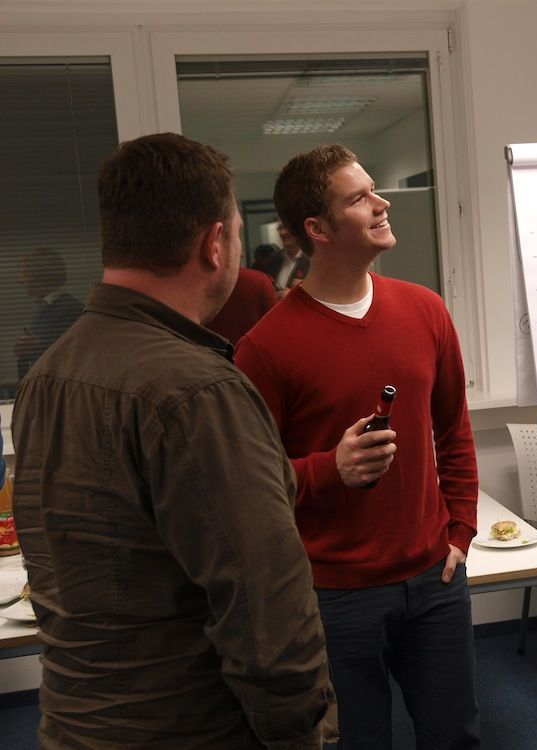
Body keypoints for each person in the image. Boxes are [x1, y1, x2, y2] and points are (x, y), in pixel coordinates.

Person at [12, 132, 335, 749]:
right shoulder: (198, 392)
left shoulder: (45, 376)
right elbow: (268, 615)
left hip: (74, 726)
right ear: (214, 244)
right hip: (189, 728)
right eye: (235, 232)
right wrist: (303, 736)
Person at [235, 144, 480, 750]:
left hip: (434, 576)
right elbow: (248, 484)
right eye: (359, 198)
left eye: (374, 189)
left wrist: (460, 530)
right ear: (317, 230)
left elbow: (453, 429)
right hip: (333, 593)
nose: (381, 203)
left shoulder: (425, 310)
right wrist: (330, 469)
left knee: (455, 737)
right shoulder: (265, 348)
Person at [13, 246, 84, 378]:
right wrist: (24, 350)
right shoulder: (43, 310)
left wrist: (36, 347)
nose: (20, 280)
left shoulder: (71, 309)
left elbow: (73, 354)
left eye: (24, 274)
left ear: (40, 275)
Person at [206, 265, 278, 343]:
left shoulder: (201, 279)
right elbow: (275, 331)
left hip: (206, 346)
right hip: (246, 348)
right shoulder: (259, 281)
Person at [274, 220, 310, 293]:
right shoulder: (273, 259)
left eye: (286, 228)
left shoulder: (313, 260)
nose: (282, 232)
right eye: (280, 228)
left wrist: (293, 295)